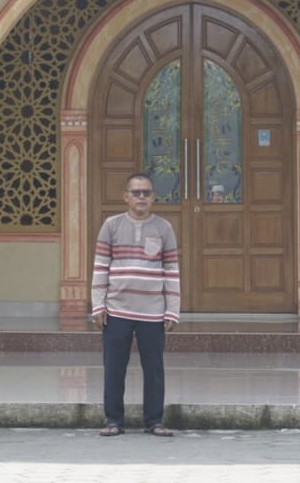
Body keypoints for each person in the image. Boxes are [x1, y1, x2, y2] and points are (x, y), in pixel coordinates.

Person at [91, 171, 180, 438]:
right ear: (126, 196)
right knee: (114, 368)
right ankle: (113, 420)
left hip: (152, 311)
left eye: (147, 193)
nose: (141, 197)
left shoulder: (164, 228)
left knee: (153, 369)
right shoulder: (111, 225)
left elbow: (172, 269)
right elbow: (100, 266)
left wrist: (172, 310)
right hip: (117, 309)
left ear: (153, 197)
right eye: (136, 192)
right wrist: (98, 306)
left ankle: (154, 421)